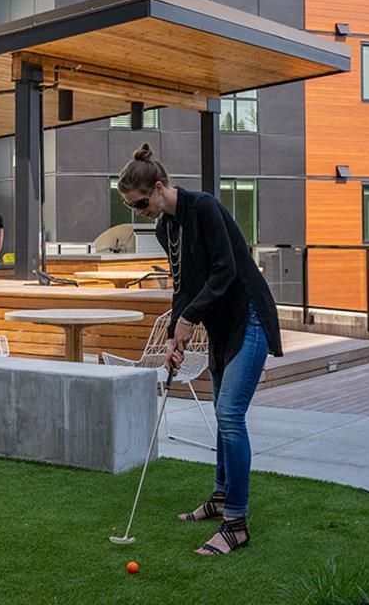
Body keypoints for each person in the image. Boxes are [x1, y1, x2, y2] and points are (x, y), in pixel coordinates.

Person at [117, 143, 283, 556]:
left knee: (229, 414)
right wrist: (176, 330)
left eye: (140, 204)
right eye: (133, 208)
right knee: (220, 410)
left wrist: (190, 319)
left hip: (250, 316)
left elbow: (226, 270)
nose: (139, 213)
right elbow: (183, 286)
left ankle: (236, 524)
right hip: (222, 327)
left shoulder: (204, 208)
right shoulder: (165, 228)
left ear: (158, 187)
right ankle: (221, 496)